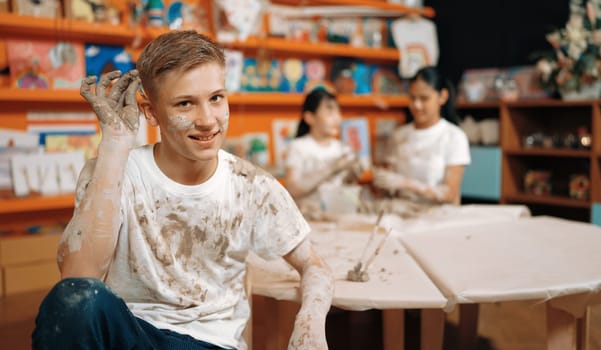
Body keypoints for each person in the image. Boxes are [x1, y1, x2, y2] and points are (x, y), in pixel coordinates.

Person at [31, 30, 333, 350]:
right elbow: (78, 282)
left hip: (209, 344)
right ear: (150, 111)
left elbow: (314, 266)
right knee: (74, 300)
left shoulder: (252, 186)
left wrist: (309, 323)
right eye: (185, 103)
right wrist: (116, 142)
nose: (207, 120)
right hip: (133, 334)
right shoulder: (111, 169)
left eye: (216, 98)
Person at [373, 66, 470, 205]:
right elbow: (387, 188)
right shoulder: (399, 136)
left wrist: (405, 183)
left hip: (441, 218)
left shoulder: (454, 137)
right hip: (403, 216)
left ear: (442, 96)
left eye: (424, 98)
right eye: (412, 98)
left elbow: (449, 193)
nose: (417, 105)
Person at [284, 88, 361, 219]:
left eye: (338, 111)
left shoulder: (343, 149)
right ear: (309, 118)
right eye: (330, 111)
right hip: (308, 219)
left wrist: (354, 172)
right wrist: (331, 168)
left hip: (337, 218)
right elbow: (291, 189)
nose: (337, 118)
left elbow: (348, 190)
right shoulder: (298, 147)